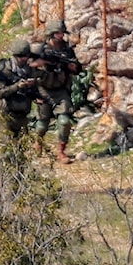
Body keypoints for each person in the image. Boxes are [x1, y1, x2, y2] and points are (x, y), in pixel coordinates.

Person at [32, 19, 82, 164]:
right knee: (42, 124)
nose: (61, 36)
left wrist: (72, 67)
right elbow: (30, 70)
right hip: (44, 90)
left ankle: (61, 151)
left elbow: (78, 68)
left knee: (64, 121)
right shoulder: (41, 50)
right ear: (51, 34)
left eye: (62, 33)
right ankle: (38, 142)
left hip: (61, 90)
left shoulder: (67, 50)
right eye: (58, 33)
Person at [0, 38, 40, 138]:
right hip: (6, 115)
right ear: (14, 56)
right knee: (6, 149)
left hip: (23, 114)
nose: (23, 59)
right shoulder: (5, 70)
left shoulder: (31, 70)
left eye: (26, 56)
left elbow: (35, 91)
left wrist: (35, 94)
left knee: (21, 148)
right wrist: (16, 87)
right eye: (20, 56)